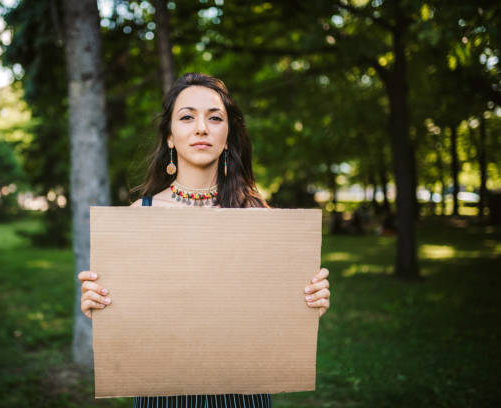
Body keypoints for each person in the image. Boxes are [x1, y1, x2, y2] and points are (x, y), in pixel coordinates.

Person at [78, 73, 331, 408]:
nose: (201, 128)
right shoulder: (141, 215)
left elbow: (274, 308)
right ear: (170, 137)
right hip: (162, 393)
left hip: (242, 392)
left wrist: (310, 300)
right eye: (186, 117)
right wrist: (99, 303)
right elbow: (131, 312)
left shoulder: (256, 214)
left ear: (227, 137)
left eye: (214, 118)